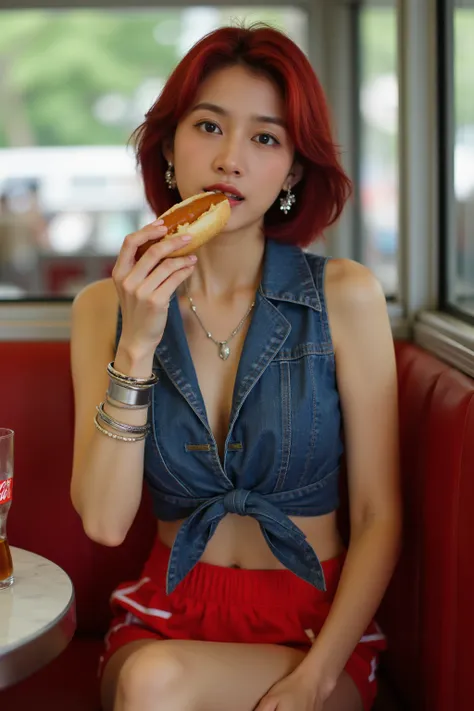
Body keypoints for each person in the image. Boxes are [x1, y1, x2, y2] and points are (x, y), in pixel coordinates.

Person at [70, 23, 401, 711]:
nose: (231, 160)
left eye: (265, 138)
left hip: (317, 628)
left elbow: (377, 514)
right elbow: (103, 521)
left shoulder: (345, 296)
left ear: (293, 171)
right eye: (210, 127)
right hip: (163, 622)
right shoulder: (106, 305)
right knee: (152, 682)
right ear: (168, 149)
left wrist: (314, 677)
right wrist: (137, 343)